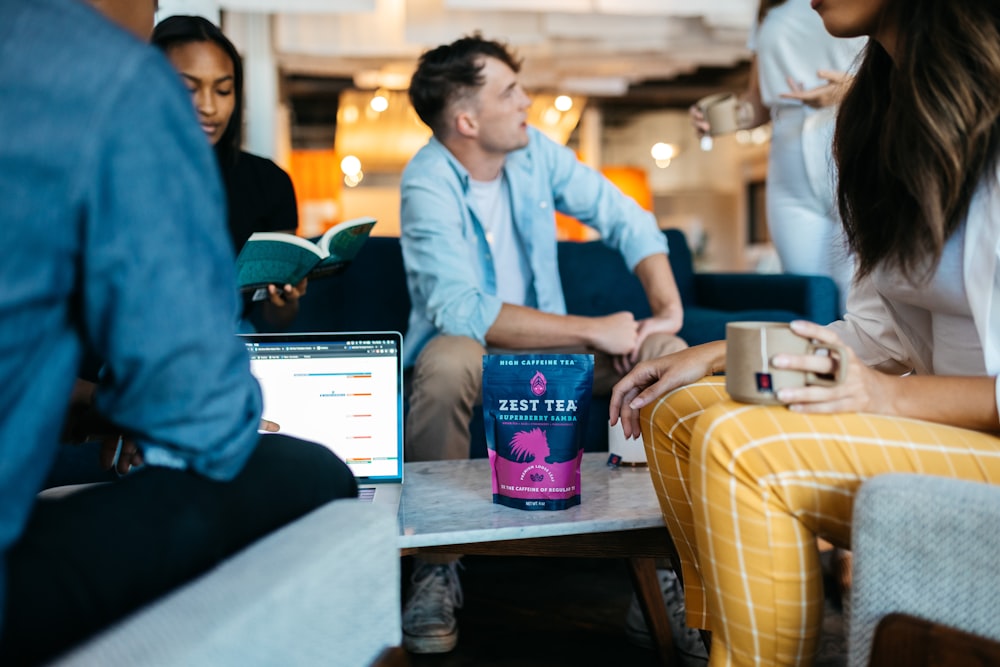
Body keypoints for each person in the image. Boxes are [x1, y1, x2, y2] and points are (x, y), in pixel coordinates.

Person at [611, 0, 1000, 664]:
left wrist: (889, 398)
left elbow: (886, 381)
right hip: (940, 427)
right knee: (677, 409)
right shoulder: (878, 114)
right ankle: (718, 645)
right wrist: (716, 354)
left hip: (969, 430)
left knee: (739, 445)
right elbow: (881, 330)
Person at [0, 0, 358, 663]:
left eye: (223, 89)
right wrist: (148, 415)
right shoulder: (111, 81)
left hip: (104, 408)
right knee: (315, 471)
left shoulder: (260, 181)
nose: (207, 105)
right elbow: (198, 412)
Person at [399, 33, 689, 655]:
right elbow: (460, 310)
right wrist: (592, 330)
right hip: (476, 353)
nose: (528, 100)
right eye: (510, 91)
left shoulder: (536, 155)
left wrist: (664, 310)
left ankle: (670, 569)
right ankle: (435, 565)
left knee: (671, 354)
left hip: (556, 362)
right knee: (446, 361)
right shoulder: (426, 181)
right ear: (467, 119)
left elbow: (626, 217)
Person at [692, 0, 866, 314]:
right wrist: (721, 118)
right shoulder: (769, 6)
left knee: (861, 301)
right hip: (788, 164)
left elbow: (909, 73)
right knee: (807, 299)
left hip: (854, 146)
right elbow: (756, 105)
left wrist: (851, 91)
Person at [152, 15, 306, 332]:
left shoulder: (268, 182)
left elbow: (277, 319)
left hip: (231, 343)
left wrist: (285, 301)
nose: (208, 107)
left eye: (223, 91)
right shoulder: (116, 177)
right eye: (188, 89)